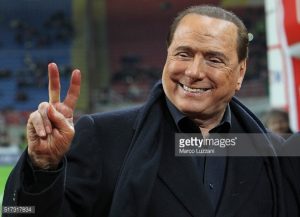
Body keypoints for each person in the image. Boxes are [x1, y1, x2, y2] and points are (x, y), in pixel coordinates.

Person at [2, 5, 295, 217]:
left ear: (241, 72)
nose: (193, 71)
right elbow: (19, 212)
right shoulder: (104, 137)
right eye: (183, 54)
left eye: (214, 59)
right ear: (166, 57)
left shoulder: (274, 155)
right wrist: (42, 168)